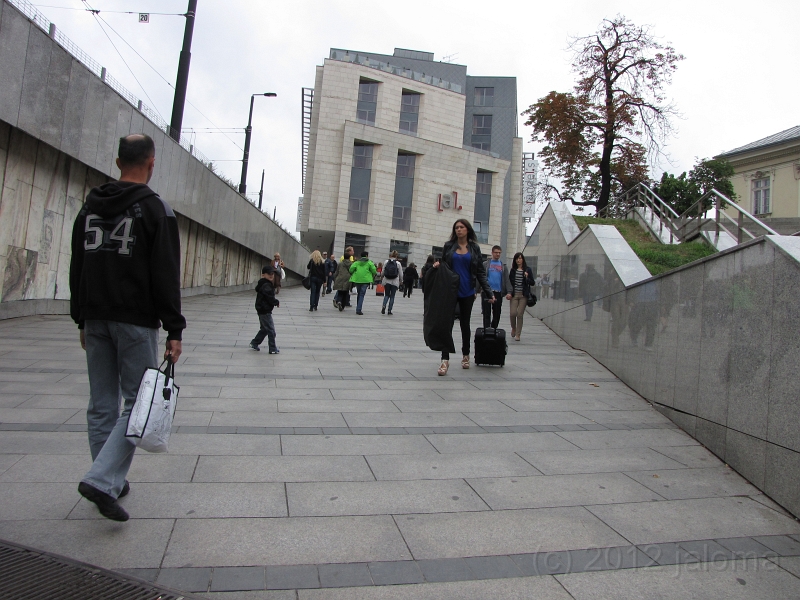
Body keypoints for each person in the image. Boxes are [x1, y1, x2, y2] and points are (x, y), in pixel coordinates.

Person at [69, 134, 185, 522]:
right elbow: (166, 274)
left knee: (101, 404)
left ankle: (109, 481)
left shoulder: (89, 207)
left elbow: (77, 266)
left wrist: (80, 316)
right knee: (138, 404)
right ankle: (103, 479)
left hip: (96, 315)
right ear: (151, 163)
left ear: (118, 161)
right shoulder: (156, 210)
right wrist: (174, 329)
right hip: (135, 319)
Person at [431, 219, 493, 375]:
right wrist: (437, 266)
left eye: (462, 227)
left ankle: (466, 355)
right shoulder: (448, 246)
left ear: (467, 230)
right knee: (447, 325)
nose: (459, 230)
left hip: (467, 292)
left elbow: (480, 272)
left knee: (465, 324)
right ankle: (444, 360)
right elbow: (444, 267)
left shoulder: (474, 248)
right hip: (450, 292)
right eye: (456, 227)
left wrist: (489, 292)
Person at [250, 264, 280, 353]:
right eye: (269, 273)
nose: (271, 275)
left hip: (261, 309)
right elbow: (269, 297)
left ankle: (255, 342)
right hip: (265, 310)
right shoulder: (266, 285)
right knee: (271, 330)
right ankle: (272, 348)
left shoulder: (263, 283)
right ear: (263, 275)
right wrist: (276, 302)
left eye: (272, 273)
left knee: (264, 329)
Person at [481, 245, 510, 329]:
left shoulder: (503, 266)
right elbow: (481, 277)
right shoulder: (485, 264)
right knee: (486, 313)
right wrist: (475, 290)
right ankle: (486, 330)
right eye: (496, 252)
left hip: (498, 292)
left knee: (497, 313)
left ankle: (493, 329)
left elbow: (506, 280)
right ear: (492, 253)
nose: (497, 254)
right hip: (487, 292)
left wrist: (509, 292)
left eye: (499, 253)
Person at [508, 252, 535, 342]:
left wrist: (527, 277)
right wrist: (509, 293)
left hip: (523, 295)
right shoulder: (513, 270)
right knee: (513, 313)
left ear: (523, 259)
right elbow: (510, 283)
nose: (518, 260)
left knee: (520, 314)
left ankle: (518, 334)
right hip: (514, 294)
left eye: (520, 258)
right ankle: (513, 328)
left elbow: (532, 282)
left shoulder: (528, 270)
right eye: (517, 258)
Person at [349, 250, 377, 315]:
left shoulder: (357, 262)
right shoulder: (369, 262)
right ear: (367, 256)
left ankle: (358, 306)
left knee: (359, 293)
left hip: (357, 279)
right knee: (362, 294)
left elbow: (351, 269)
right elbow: (374, 271)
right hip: (366, 280)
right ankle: (358, 309)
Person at [333, 246, 354, 311]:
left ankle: (339, 301)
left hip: (340, 278)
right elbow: (352, 272)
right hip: (347, 279)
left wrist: (335, 279)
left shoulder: (340, 263)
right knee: (345, 293)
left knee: (340, 292)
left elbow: (336, 272)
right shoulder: (351, 264)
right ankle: (343, 305)